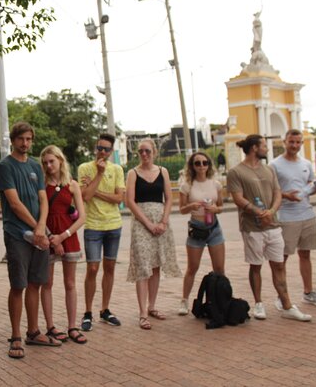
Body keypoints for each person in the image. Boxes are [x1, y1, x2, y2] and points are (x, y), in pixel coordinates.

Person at [227, 134, 311, 321]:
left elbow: (277, 193)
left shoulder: (269, 170)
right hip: (252, 228)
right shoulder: (236, 172)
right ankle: (258, 304)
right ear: (254, 148)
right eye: (264, 145)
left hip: (273, 226)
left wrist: (271, 211)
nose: (267, 148)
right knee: (256, 266)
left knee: (279, 265)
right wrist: (258, 212)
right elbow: (238, 198)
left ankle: (287, 305)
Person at [0, 121, 57, 359]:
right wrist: (37, 227)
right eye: (21, 139)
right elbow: (14, 203)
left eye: (29, 139)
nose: (26, 143)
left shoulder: (35, 166)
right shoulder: (5, 166)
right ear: (13, 140)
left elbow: (43, 199)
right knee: (18, 285)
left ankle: (33, 331)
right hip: (17, 235)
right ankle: (16, 335)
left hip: (38, 234)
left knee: (35, 283)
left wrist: (41, 227)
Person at [125, 139, 181, 330]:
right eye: (141, 151)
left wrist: (163, 221)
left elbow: (169, 198)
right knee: (143, 266)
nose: (144, 154)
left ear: (154, 152)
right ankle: (142, 313)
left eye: (147, 150)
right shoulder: (133, 173)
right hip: (142, 223)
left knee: (156, 265)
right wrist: (148, 223)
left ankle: (152, 306)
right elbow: (130, 201)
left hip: (160, 223)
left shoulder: (163, 171)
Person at [270, 129, 316, 308]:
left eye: (298, 142)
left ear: (302, 144)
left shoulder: (306, 163)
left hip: (307, 214)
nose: (294, 145)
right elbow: (271, 190)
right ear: (284, 142)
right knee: (283, 258)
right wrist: (287, 196)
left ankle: (308, 292)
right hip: (287, 217)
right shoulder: (275, 165)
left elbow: (310, 184)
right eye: (291, 142)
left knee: (305, 254)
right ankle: (282, 297)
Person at [39, 145, 87, 344]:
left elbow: (82, 217)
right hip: (48, 237)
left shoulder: (72, 185)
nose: (49, 165)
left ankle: (72, 326)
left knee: (70, 283)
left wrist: (63, 236)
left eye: (52, 161)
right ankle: (50, 326)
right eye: (45, 162)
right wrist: (52, 238)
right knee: (47, 283)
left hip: (69, 236)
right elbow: (38, 214)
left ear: (60, 160)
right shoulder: (41, 185)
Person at [77, 133, 125, 331]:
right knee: (93, 269)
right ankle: (88, 312)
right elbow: (85, 197)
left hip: (114, 224)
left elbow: (118, 199)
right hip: (93, 226)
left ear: (111, 151)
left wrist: (94, 189)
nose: (102, 152)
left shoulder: (117, 169)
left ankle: (105, 309)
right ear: (95, 148)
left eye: (106, 149)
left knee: (110, 267)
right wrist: (98, 174)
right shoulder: (84, 168)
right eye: (100, 148)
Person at [177, 152, 226, 315]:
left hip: (214, 228)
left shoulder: (216, 184)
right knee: (192, 267)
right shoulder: (187, 186)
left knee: (219, 268)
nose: (201, 166)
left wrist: (215, 209)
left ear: (209, 165)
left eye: (204, 163)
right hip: (196, 229)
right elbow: (182, 210)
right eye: (197, 163)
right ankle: (184, 300)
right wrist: (192, 206)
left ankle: (221, 299)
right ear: (192, 166)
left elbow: (220, 206)